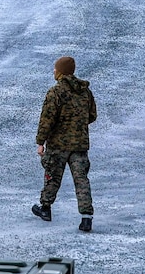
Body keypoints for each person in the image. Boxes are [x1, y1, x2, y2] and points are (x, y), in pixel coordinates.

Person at [33, 56, 97, 232]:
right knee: (81, 180)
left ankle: (45, 208)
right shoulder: (85, 92)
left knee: (53, 175)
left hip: (58, 144)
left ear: (61, 71)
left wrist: (40, 142)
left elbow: (47, 120)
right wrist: (77, 125)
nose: (54, 71)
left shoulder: (56, 92)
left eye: (56, 68)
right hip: (79, 145)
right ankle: (86, 218)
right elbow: (92, 115)